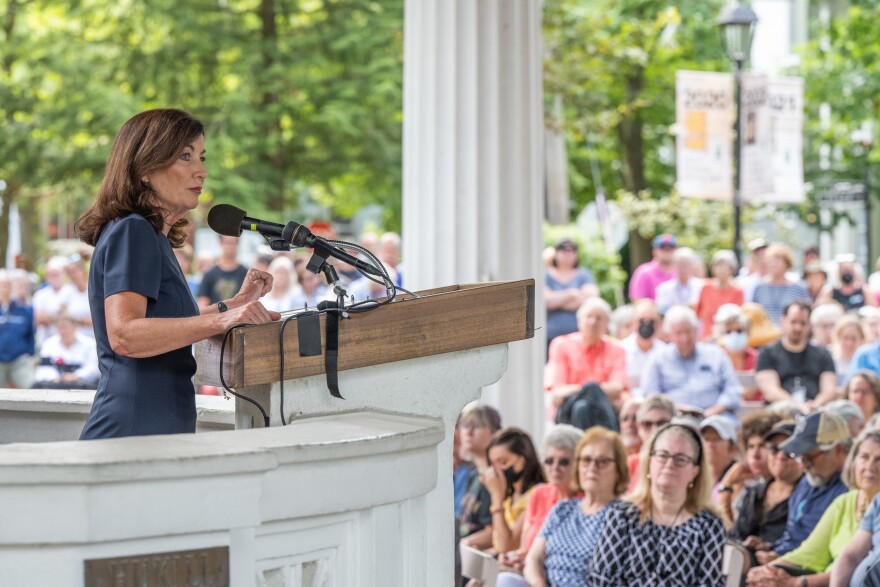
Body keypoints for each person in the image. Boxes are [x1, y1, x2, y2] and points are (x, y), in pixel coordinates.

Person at [73, 109, 280, 439]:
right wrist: (221, 321)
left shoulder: (151, 236)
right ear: (145, 169)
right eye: (185, 156)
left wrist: (237, 304)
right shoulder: (134, 230)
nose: (201, 171)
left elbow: (171, 323)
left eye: (201, 157)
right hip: (134, 426)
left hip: (155, 422)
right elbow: (125, 334)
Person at [588, 423, 727, 586]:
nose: (669, 465)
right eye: (662, 455)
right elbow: (601, 579)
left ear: (694, 472)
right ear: (649, 462)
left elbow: (709, 584)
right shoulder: (621, 515)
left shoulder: (709, 525)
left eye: (680, 459)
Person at [747, 428, 880, 586]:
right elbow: (811, 551)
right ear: (854, 460)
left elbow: (861, 567)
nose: (869, 466)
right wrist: (769, 570)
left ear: (839, 452)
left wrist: (798, 583)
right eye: (864, 457)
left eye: (879, 459)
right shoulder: (844, 502)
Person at [512, 427, 629, 587]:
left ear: (618, 470)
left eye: (602, 461)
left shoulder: (624, 516)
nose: (592, 467)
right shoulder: (562, 509)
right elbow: (533, 559)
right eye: (586, 460)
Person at [756, 411, 851, 564]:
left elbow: (830, 555)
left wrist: (780, 560)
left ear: (838, 450)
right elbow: (793, 536)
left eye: (809, 458)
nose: (803, 465)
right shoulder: (808, 481)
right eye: (800, 457)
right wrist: (769, 548)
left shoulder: (851, 490)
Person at [496, 424, 583, 576]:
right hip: (531, 575)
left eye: (564, 462)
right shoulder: (539, 494)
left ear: (579, 464)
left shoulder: (587, 501)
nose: (554, 467)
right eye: (549, 461)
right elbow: (525, 549)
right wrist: (515, 558)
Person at [641, 305, 742, 420]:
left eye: (688, 332)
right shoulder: (657, 358)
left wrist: (712, 412)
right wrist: (676, 410)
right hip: (673, 418)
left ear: (696, 330)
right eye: (678, 333)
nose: (685, 339)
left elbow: (732, 390)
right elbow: (651, 396)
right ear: (669, 335)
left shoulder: (716, 354)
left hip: (716, 417)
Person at [731, 421, 802, 565]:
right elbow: (735, 535)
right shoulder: (753, 492)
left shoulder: (808, 496)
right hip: (741, 564)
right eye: (774, 449)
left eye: (790, 450)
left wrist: (769, 547)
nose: (781, 456)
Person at [544, 297, 627, 422]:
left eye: (599, 318)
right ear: (579, 321)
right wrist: (592, 388)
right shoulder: (561, 345)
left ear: (606, 324)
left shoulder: (617, 348)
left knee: (583, 406)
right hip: (569, 411)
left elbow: (617, 388)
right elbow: (558, 391)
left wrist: (579, 389)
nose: (593, 322)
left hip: (604, 409)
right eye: (589, 317)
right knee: (581, 406)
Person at [755, 301, 837, 406]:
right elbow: (771, 392)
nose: (798, 328)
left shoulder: (822, 354)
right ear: (783, 321)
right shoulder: (767, 353)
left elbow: (828, 391)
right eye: (793, 322)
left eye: (803, 323)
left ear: (809, 325)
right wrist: (797, 405)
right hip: (781, 411)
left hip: (816, 409)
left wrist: (814, 405)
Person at [481, 428, 546, 553]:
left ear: (522, 461)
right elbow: (498, 542)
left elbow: (508, 547)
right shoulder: (511, 494)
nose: (496, 470)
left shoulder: (536, 495)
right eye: (492, 464)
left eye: (502, 462)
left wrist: (496, 497)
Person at [458, 404, 503, 549]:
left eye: (477, 426)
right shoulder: (473, 475)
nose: (468, 432)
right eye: (465, 426)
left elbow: (494, 532)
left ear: (495, 432)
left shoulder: (496, 476)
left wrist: (463, 544)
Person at [544, 238, 599, 345]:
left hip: (580, 336)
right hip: (551, 337)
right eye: (563, 249)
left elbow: (591, 299)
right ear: (556, 252)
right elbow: (546, 301)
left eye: (573, 249)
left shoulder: (584, 274)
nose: (568, 252)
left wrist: (558, 302)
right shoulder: (546, 276)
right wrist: (572, 294)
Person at [33, 313, 99, 389]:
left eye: (65, 327)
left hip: (82, 385)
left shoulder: (89, 344)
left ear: (75, 327)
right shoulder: (48, 344)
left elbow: (94, 368)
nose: (62, 331)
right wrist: (56, 378)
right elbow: (42, 369)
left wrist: (76, 376)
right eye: (59, 327)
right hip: (54, 386)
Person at [626, 395, 677, 491]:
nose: (655, 430)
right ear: (638, 427)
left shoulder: (681, 464)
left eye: (662, 423)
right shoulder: (630, 464)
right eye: (647, 424)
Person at [752, 244, 810, 326]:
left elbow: (805, 313)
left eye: (777, 260)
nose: (773, 264)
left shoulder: (798, 288)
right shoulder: (759, 287)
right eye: (771, 260)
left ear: (787, 263)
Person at [714, 303, 760, 400]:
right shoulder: (718, 358)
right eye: (729, 332)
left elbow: (749, 393)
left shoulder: (757, 358)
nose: (734, 335)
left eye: (739, 331)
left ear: (747, 332)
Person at [621, 299, 665, 398]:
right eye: (642, 321)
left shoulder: (665, 352)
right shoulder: (621, 349)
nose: (646, 325)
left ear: (658, 324)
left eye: (651, 321)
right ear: (633, 323)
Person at [696, 249, 744, 340]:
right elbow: (698, 314)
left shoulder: (737, 291)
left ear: (731, 269)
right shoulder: (705, 287)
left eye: (725, 266)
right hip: (706, 339)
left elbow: (738, 319)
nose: (721, 269)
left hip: (728, 339)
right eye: (718, 265)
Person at [0, 269, 35, 389]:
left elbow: (30, 334)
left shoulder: (23, 310)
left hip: (18, 361)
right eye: (2, 285)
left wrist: (30, 354)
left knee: (32, 388)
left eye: (7, 285)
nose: (5, 289)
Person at [197, 235, 249, 308]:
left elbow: (249, 302)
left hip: (240, 318)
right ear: (221, 243)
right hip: (215, 318)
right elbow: (203, 304)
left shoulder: (246, 273)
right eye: (228, 242)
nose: (230, 246)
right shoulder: (209, 274)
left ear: (238, 243)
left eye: (233, 242)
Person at [700, 415, 740, 503]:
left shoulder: (739, 476)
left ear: (732, 446)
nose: (710, 445)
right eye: (706, 439)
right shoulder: (696, 475)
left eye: (716, 439)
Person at [31, 257, 70, 348]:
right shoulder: (40, 294)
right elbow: (39, 319)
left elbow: (74, 318)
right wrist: (61, 314)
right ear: (46, 276)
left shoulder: (70, 292)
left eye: (56, 274)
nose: (54, 277)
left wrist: (50, 317)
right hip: (45, 343)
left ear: (63, 274)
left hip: (68, 344)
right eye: (51, 274)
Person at [628, 233, 677, 302]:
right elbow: (637, 299)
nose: (667, 251)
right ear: (654, 251)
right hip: (652, 310)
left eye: (670, 248)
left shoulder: (682, 271)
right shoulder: (644, 272)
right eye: (663, 248)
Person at [655, 247, 704, 314]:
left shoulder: (702, 286)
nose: (684, 269)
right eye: (680, 265)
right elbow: (662, 310)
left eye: (687, 265)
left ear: (692, 265)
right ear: (674, 265)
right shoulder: (663, 288)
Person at [63, 255, 93, 338]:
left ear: (83, 270)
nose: (72, 275)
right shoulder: (67, 291)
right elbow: (62, 315)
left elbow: (98, 319)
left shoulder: (94, 289)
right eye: (69, 272)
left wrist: (79, 320)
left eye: (74, 271)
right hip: (74, 339)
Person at [833, 315, 865, 387]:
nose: (849, 343)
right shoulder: (829, 361)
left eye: (854, 338)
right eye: (845, 338)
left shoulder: (865, 362)